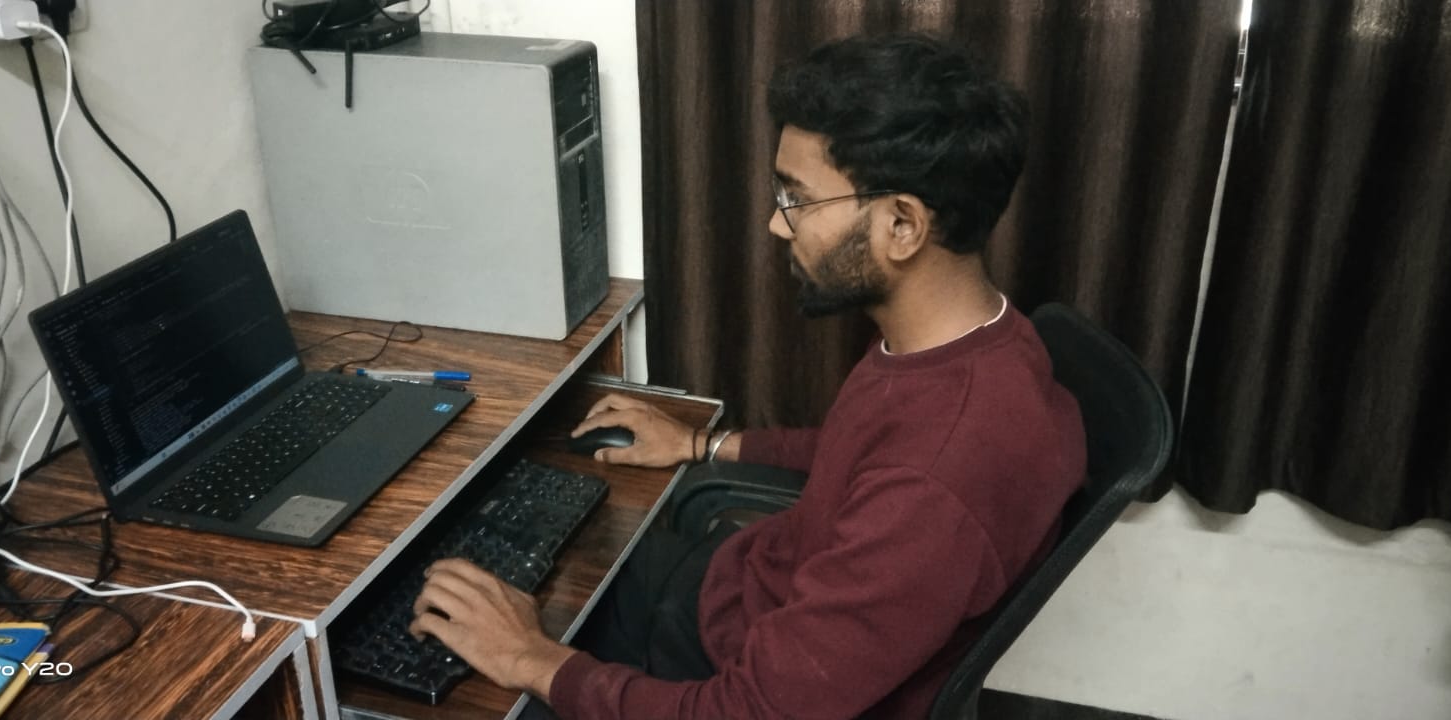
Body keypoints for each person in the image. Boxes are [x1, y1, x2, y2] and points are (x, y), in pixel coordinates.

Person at [408, 33, 1086, 719]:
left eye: (798, 198)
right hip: (744, 590)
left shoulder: (939, 480)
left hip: (719, 669)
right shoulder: (987, 344)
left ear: (902, 224)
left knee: (445, 680)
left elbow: (748, 711)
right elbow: (861, 459)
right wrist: (705, 445)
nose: (776, 223)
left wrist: (531, 658)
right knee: (546, 555)